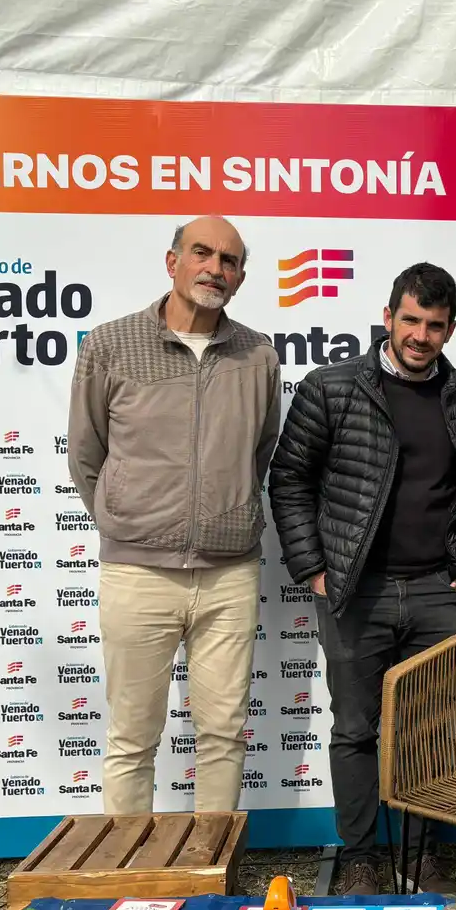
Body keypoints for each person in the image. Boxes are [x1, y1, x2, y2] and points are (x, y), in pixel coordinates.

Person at [268, 263, 456, 897]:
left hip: (437, 594)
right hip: (354, 590)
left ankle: (421, 854)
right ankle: (361, 855)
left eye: (435, 326)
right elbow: (289, 480)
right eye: (411, 320)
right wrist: (312, 566)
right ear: (387, 317)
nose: (421, 335)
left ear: (450, 330)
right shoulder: (331, 388)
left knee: (433, 731)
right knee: (356, 729)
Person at [68, 215, 281, 815]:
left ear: (240, 278)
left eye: (230, 261)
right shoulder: (110, 345)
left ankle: (211, 875)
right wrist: (128, 517)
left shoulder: (259, 356)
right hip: (137, 575)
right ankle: (129, 884)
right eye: (203, 253)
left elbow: (260, 450)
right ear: (173, 262)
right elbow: (86, 453)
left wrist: (227, 510)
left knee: (222, 737)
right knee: (132, 740)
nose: (216, 268)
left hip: (228, 575)